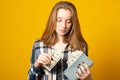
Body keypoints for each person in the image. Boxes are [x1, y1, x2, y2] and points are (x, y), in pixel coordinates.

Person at [28, 1, 92, 80]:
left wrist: (88, 78)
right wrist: (36, 65)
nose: (63, 26)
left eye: (68, 21)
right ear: (52, 20)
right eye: (59, 20)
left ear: (73, 23)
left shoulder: (81, 47)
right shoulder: (38, 46)